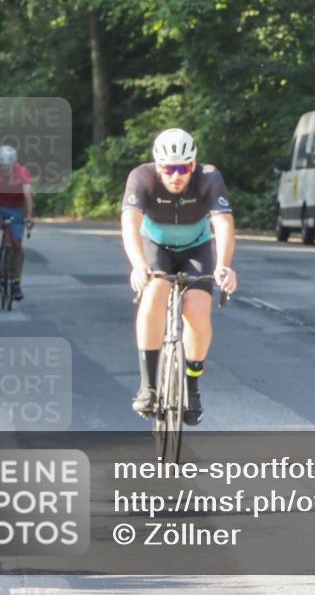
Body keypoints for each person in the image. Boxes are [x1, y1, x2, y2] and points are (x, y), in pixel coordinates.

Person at [121, 128, 238, 425]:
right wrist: (137, 265)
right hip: (155, 245)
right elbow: (130, 223)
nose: (176, 175)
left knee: (198, 310)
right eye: (169, 168)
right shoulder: (141, 177)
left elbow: (223, 224)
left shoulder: (209, 177)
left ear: (194, 165)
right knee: (155, 292)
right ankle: (148, 386)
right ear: (158, 166)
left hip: (196, 247)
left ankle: (192, 385)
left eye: (183, 168)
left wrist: (224, 265)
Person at [0, 146, 34, 301]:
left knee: (17, 244)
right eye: (3, 167)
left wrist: (29, 216)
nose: (6, 170)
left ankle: (16, 283)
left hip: (16, 208)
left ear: (15, 165)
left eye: (10, 167)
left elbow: (28, 195)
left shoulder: (23, 172)